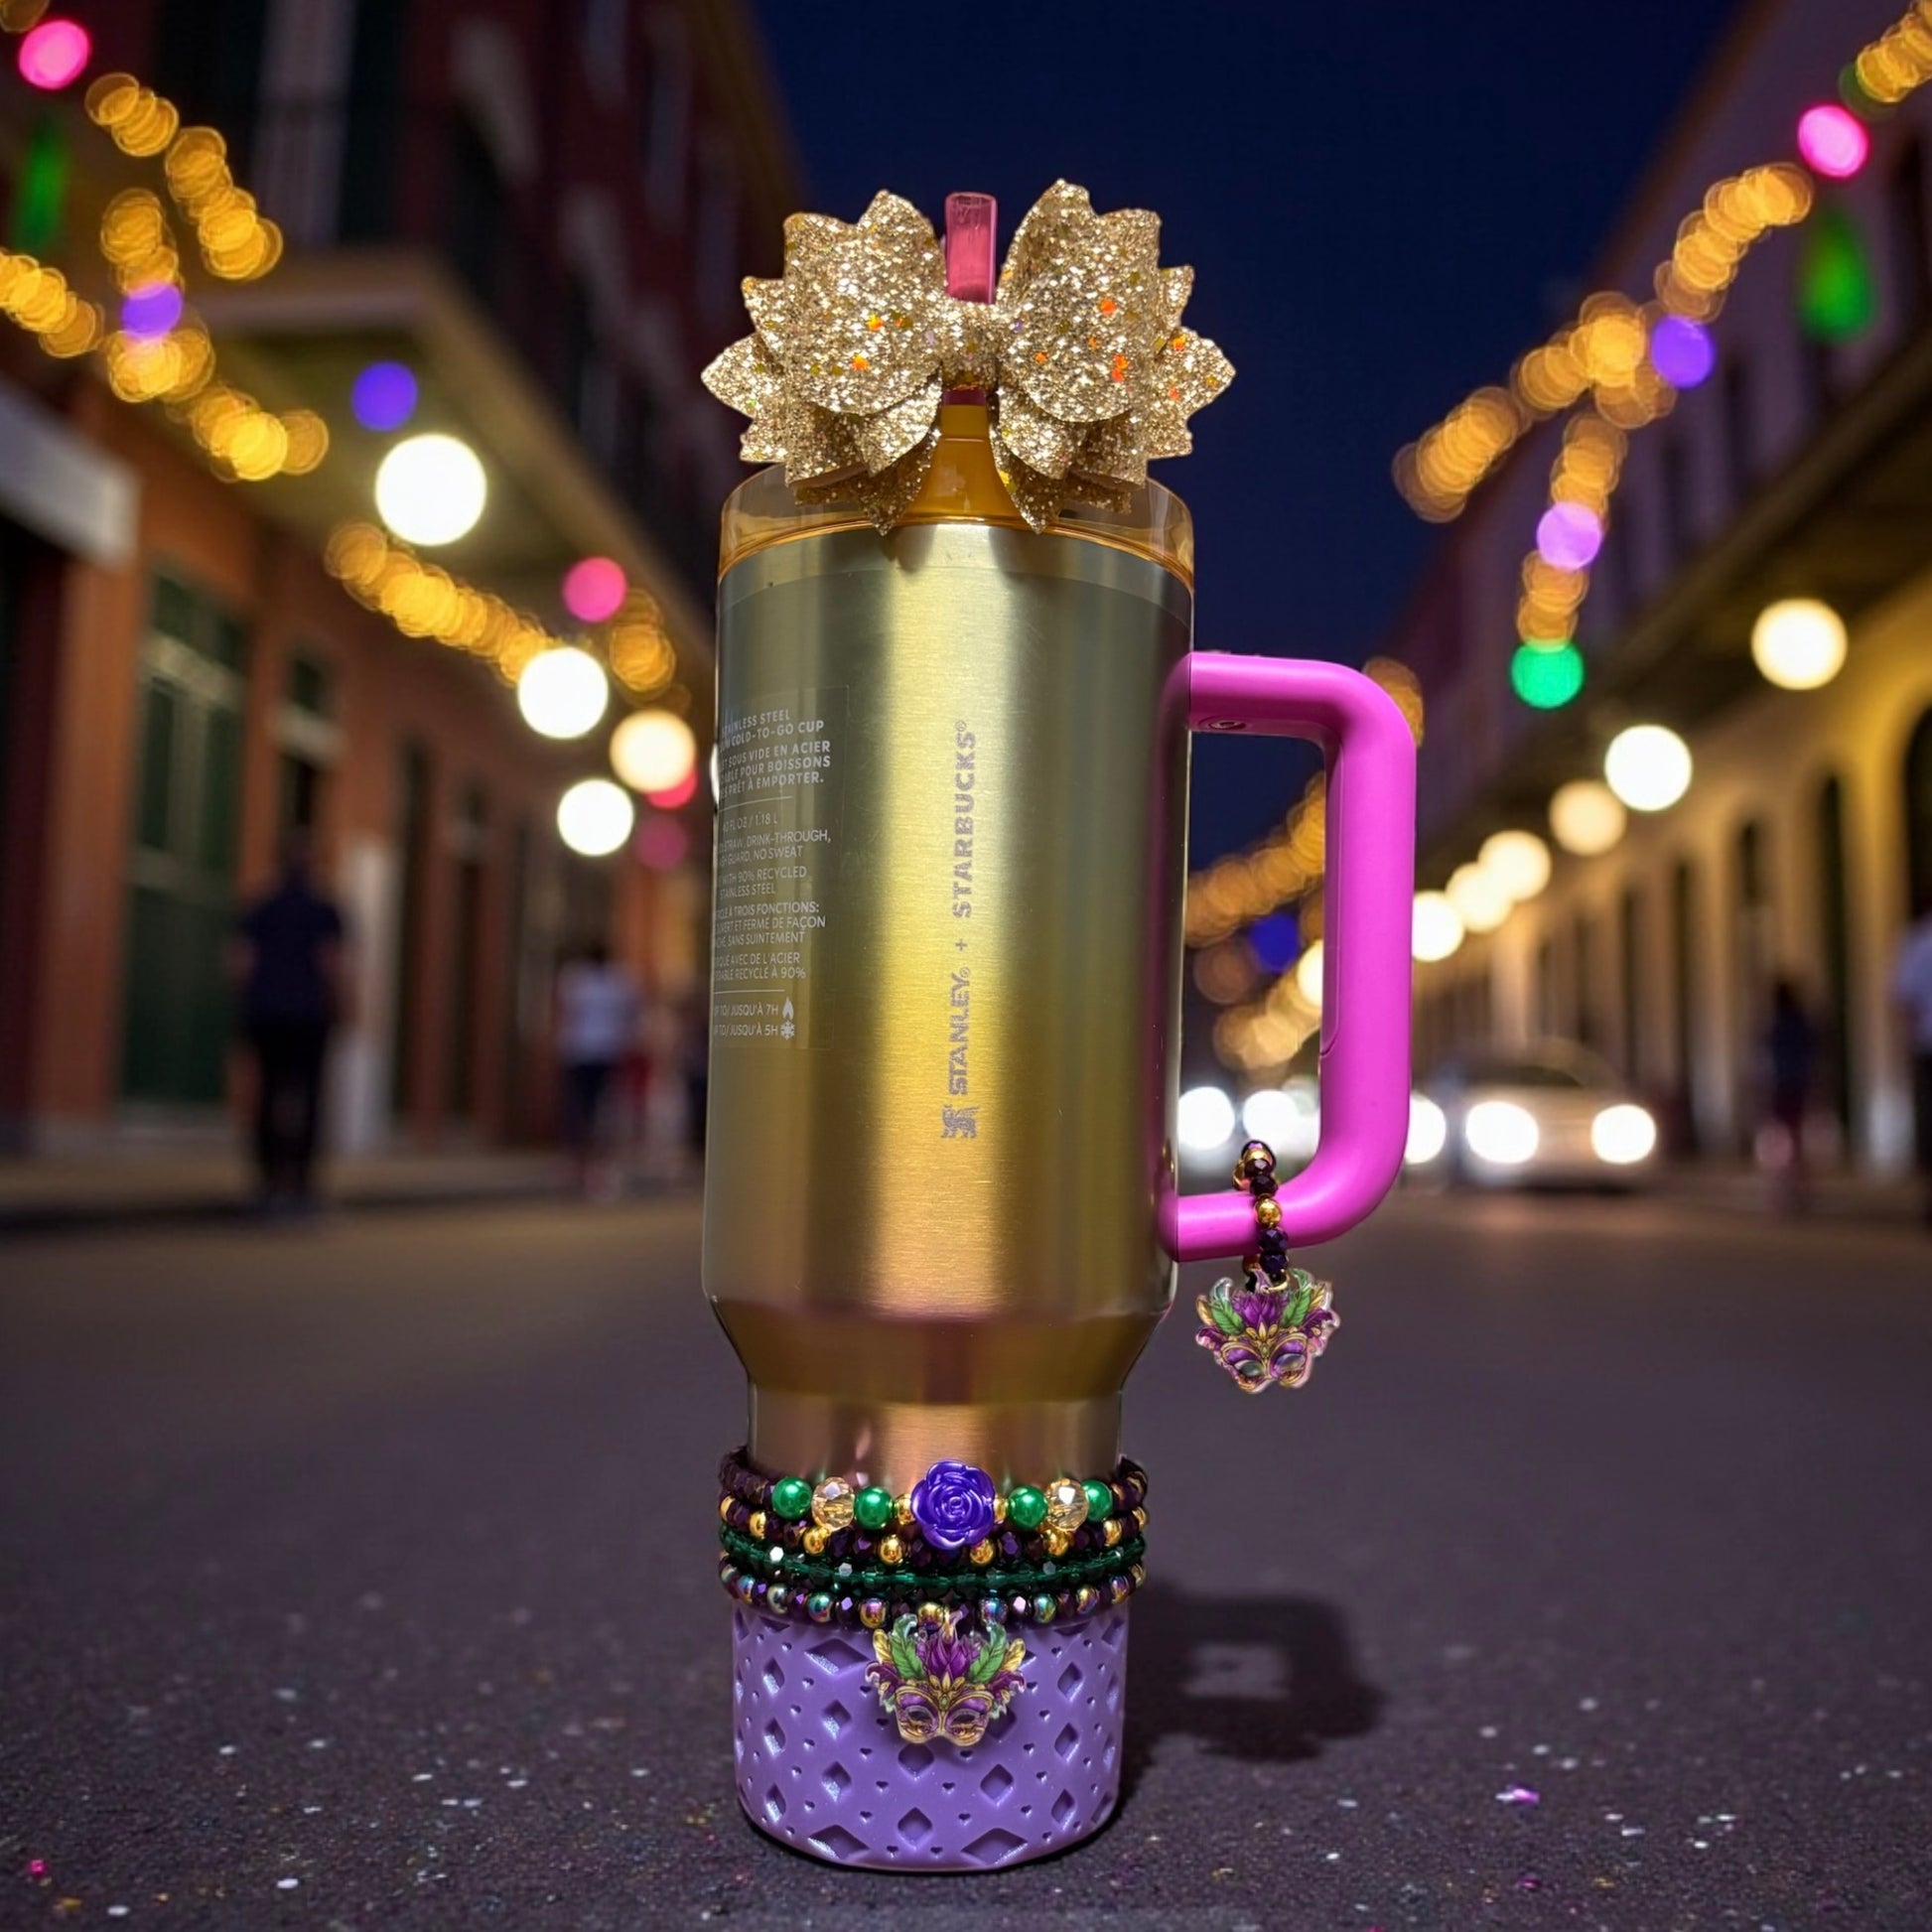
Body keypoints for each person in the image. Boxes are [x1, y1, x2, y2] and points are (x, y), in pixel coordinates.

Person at [232, 830, 347, 1209]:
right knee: (308, 1096)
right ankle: (300, 1181)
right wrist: (340, 1006)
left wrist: (249, 1004)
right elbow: (331, 963)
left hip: (267, 1015)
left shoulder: (260, 907)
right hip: (308, 1017)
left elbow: (241, 964)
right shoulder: (325, 910)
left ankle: (267, 1179)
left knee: (268, 1093)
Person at [555, 941, 640, 1196]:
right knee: (600, 1112)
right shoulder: (619, 981)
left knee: (580, 1110)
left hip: (581, 1052)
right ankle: (595, 1169)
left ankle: (579, 1168)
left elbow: (564, 1014)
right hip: (605, 1052)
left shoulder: (575, 979)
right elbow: (630, 1017)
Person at [1760, 978, 1820, 1216]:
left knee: (1780, 1140)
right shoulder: (1800, 1023)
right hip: (1797, 1085)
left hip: (1782, 1086)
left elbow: (1766, 1059)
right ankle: (1796, 1189)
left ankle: (1785, 1191)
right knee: (1795, 1138)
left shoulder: (1776, 1025)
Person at [1893, 895, 1932, 1226]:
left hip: (1927, 1044)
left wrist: (1906, 1043)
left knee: (1928, 1122)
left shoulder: (1917, 943)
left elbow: (1905, 998)